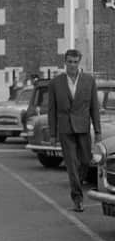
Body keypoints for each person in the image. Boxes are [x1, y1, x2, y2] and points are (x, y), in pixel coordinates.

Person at [48, 49, 101, 212]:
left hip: (83, 128)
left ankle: (78, 184)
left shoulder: (89, 81)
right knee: (71, 164)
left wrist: (98, 131)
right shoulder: (55, 83)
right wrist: (52, 134)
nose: (72, 65)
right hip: (65, 129)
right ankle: (77, 198)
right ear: (65, 62)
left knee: (85, 161)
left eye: (75, 62)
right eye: (69, 62)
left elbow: (94, 108)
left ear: (79, 63)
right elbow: (52, 110)